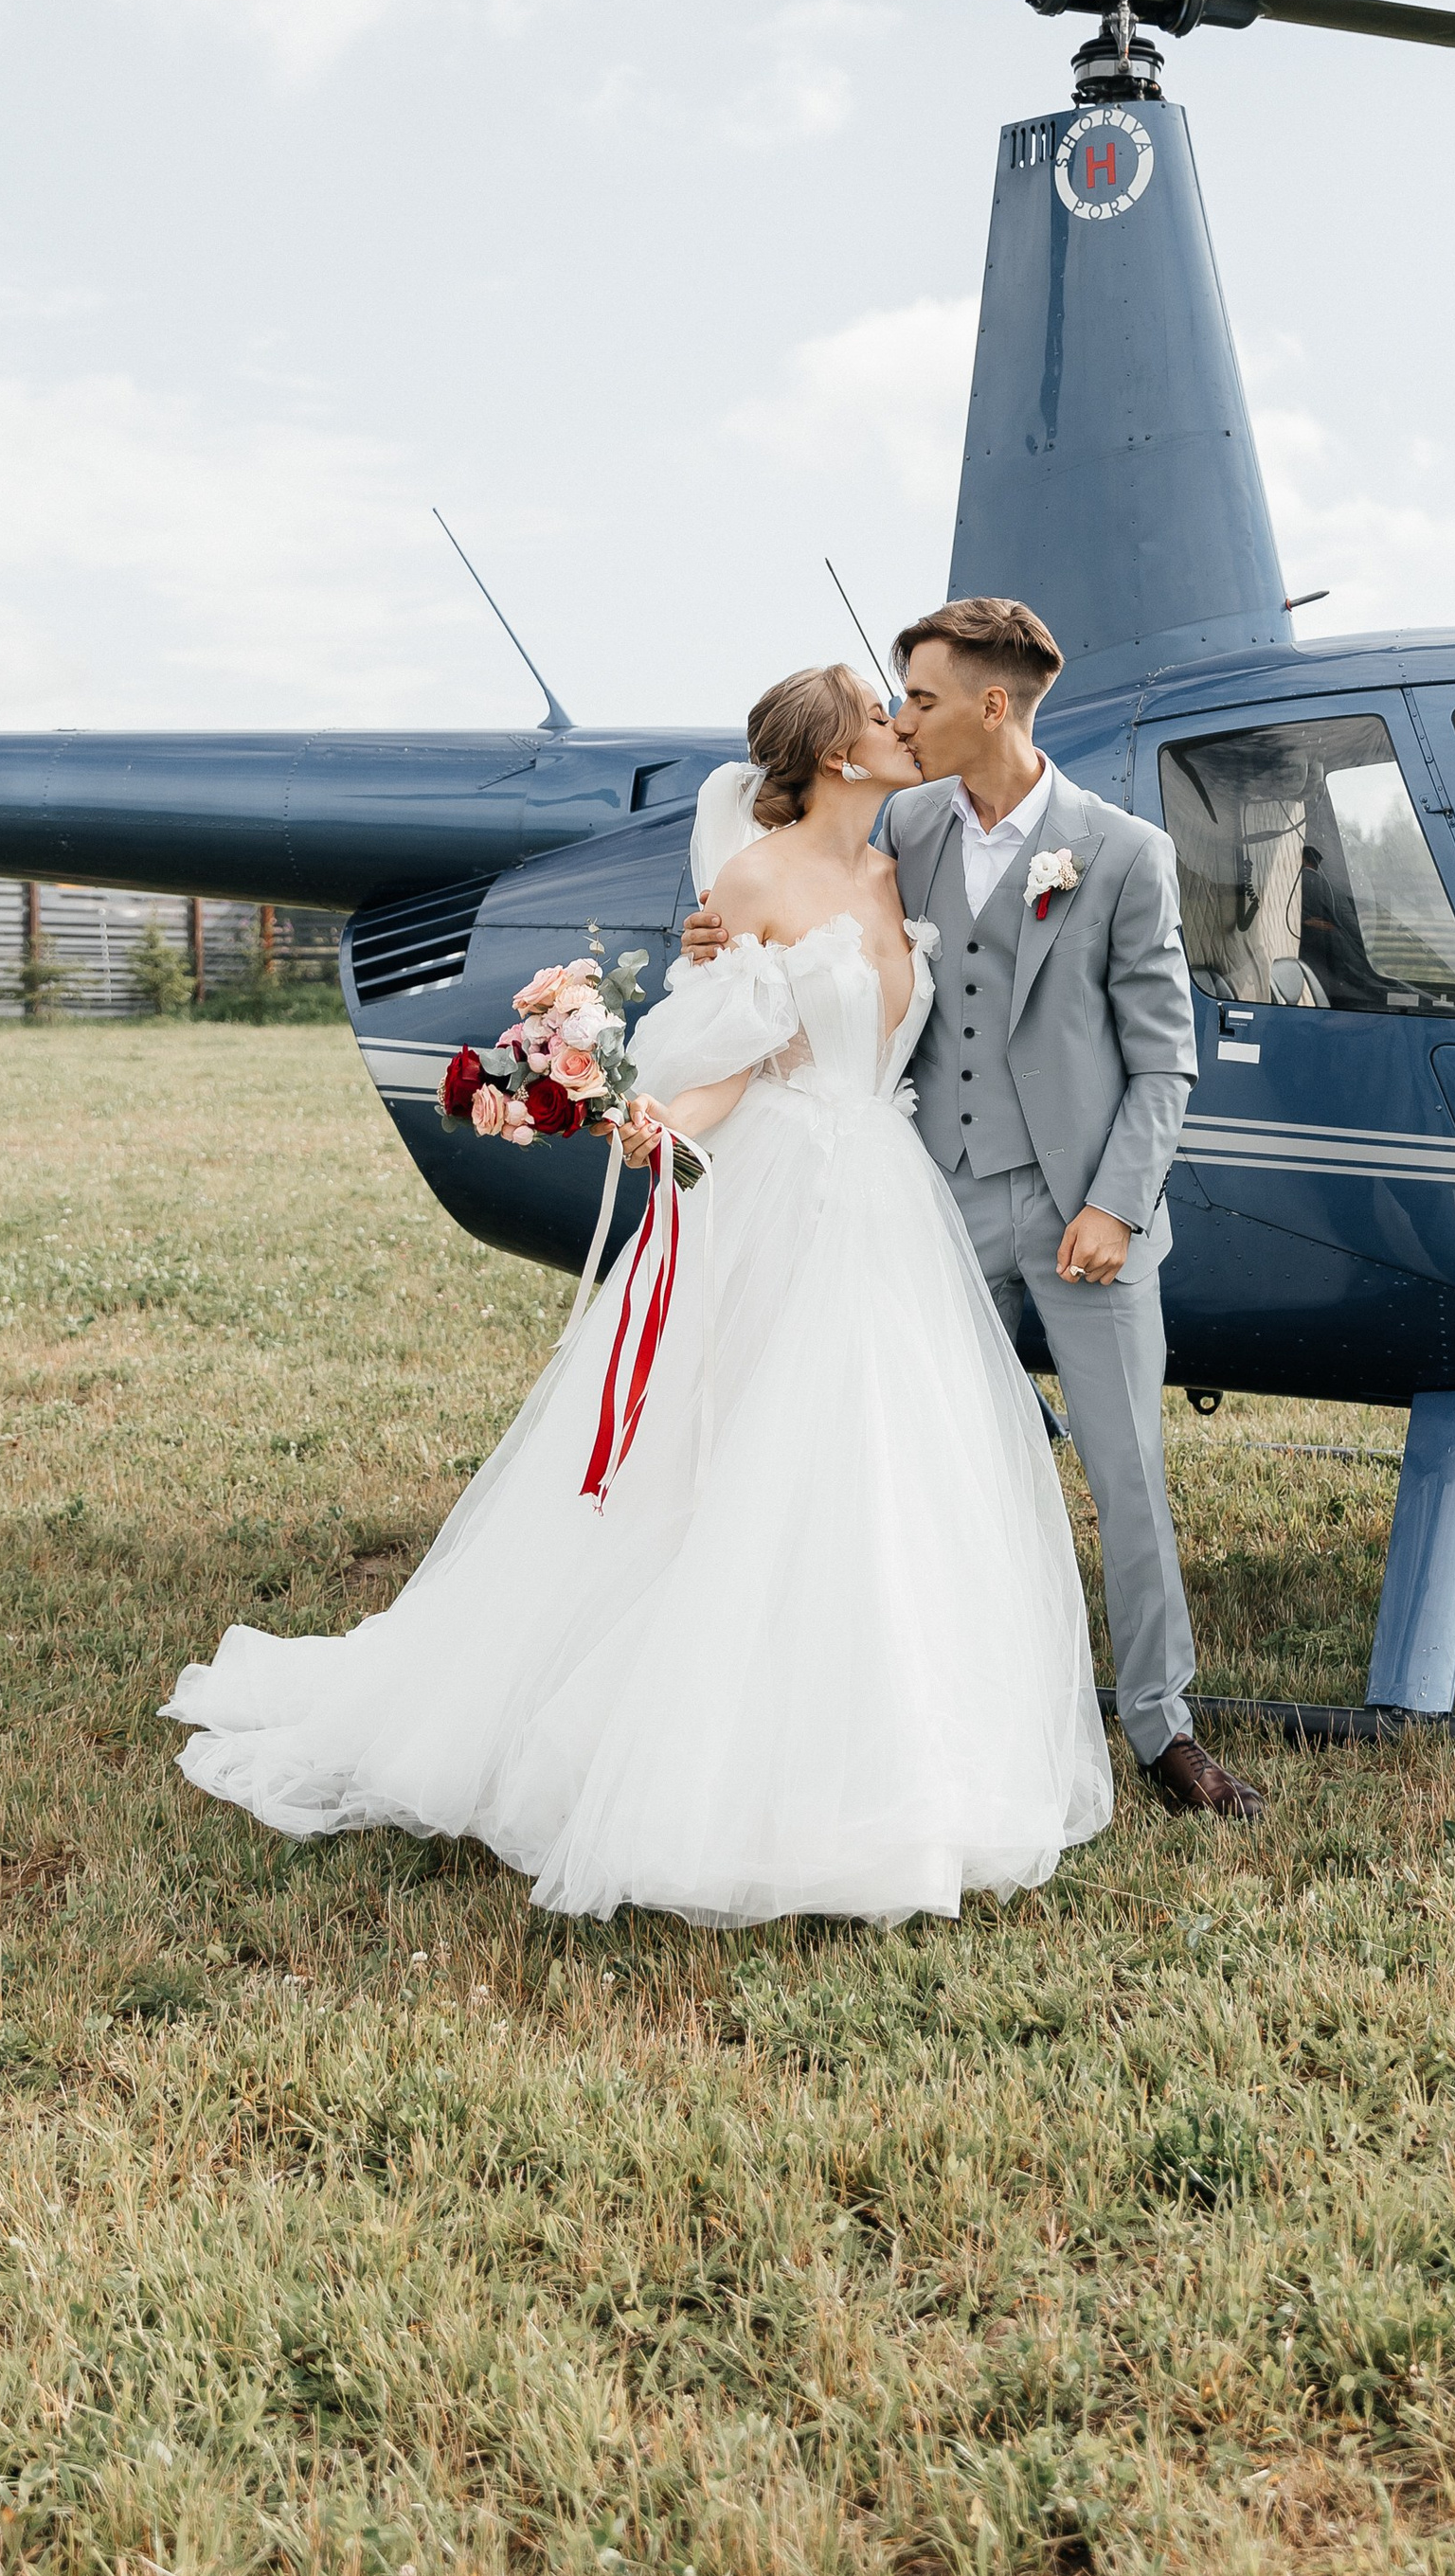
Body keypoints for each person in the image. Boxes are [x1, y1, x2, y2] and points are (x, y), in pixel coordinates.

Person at [162, 663, 1113, 1928]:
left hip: (885, 1193)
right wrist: (659, 1114)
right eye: (879, 716)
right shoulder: (755, 884)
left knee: (885, 1460)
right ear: (833, 756)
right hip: (779, 1189)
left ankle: (894, 1748)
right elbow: (729, 1053)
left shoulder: (906, 865)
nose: (901, 725)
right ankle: (701, 1751)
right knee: (740, 1460)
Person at [683, 596, 1267, 1822]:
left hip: (1080, 1225)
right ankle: (940, 1714)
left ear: (993, 705)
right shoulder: (901, 829)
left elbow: (1166, 1062)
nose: (906, 719)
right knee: (921, 1470)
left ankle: (1163, 1730)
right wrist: (714, 936)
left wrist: (1114, 1206)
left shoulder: (1119, 854)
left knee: (1129, 1475)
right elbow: (787, 877)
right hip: (924, 1216)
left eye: (927, 699)